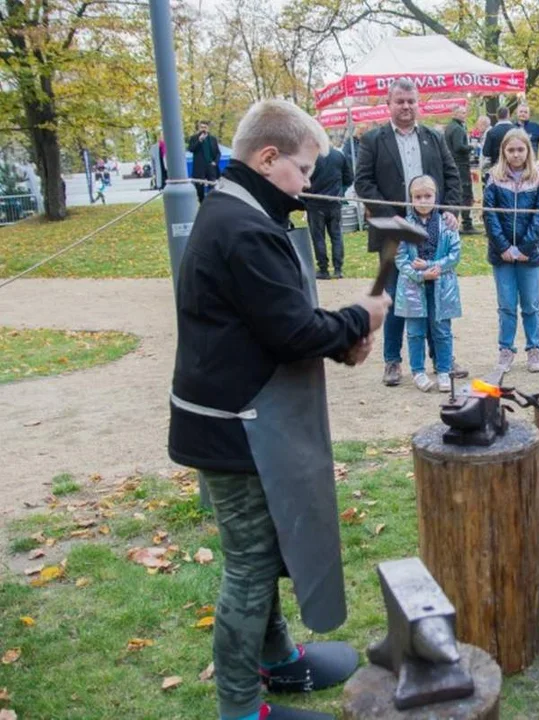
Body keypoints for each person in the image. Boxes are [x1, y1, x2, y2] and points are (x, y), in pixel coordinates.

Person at [169, 99, 391, 720]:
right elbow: (291, 332)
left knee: (263, 554)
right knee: (250, 566)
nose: (312, 182)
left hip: (239, 421)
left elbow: (275, 322)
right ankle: (241, 708)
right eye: (303, 167)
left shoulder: (240, 214)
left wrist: (337, 334)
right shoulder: (241, 228)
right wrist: (360, 318)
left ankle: (277, 659)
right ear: (268, 159)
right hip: (232, 429)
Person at [353, 77, 464, 387]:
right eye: (399, 101)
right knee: (395, 298)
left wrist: (451, 210)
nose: (405, 106)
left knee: (435, 298)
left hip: (434, 233)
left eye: (410, 101)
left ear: (418, 104)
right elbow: (363, 183)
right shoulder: (373, 140)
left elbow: (452, 176)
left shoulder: (434, 137)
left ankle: (441, 359)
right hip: (393, 233)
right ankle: (392, 361)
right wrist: (398, 219)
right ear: (388, 105)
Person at [484, 129, 539, 374]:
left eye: (520, 149)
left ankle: (534, 349)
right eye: (510, 150)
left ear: (527, 151)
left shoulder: (538, 177)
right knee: (507, 305)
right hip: (502, 255)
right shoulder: (493, 177)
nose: (516, 154)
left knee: (531, 304)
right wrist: (504, 247)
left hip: (529, 254)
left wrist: (524, 248)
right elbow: (489, 214)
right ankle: (506, 349)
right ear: (503, 152)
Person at [397, 175, 463, 392]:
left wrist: (432, 265)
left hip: (442, 285)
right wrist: (420, 275)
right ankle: (418, 371)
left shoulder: (447, 223)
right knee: (415, 331)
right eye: (418, 196)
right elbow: (400, 259)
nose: (423, 200)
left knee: (441, 329)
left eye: (428, 195)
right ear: (411, 198)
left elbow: (454, 255)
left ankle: (444, 370)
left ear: (436, 196)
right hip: (414, 287)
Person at [306, 140, 354, 279]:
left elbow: (302, 179)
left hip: (314, 203)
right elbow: (349, 178)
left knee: (318, 238)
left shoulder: (310, 157)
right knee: (337, 236)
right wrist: (340, 191)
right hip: (334, 202)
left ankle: (323, 269)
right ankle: (338, 269)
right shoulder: (338, 156)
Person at [444, 105, 479, 234]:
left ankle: (456, 222)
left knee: (456, 193)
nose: (465, 115)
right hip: (461, 164)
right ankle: (467, 224)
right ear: (455, 113)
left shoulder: (449, 127)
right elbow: (459, 147)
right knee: (465, 194)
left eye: (465, 112)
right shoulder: (458, 129)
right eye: (462, 113)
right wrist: (471, 147)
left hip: (454, 164)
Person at [187, 120, 222, 203]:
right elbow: (191, 149)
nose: (203, 129)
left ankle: (211, 203)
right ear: (199, 128)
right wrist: (199, 141)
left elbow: (218, 153)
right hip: (199, 167)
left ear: (208, 128)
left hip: (210, 166)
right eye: (202, 127)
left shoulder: (213, 139)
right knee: (199, 187)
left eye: (205, 127)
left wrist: (215, 162)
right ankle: (202, 203)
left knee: (212, 185)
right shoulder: (194, 138)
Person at [482, 106, 515, 171]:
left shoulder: (491, 132)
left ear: (497, 116)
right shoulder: (517, 130)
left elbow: (486, 152)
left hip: (497, 166)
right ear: (508, 115)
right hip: (514, 165)